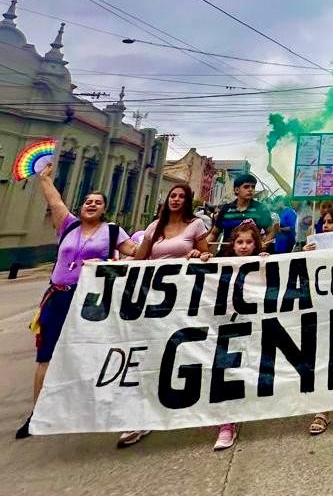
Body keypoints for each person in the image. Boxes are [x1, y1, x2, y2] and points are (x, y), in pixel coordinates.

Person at [16, 164, 138, 439]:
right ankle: (39, 414)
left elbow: (136, 254)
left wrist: (109, 260)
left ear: (104, 209)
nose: (91, 205)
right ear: (81, 206)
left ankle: (106, 408)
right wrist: (45, 178)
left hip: (91, 302)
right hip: (58, 296)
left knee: (96, 353)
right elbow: (54, 200)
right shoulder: (68, 225)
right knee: (46, 355)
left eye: (98, 203)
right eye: (88, 201)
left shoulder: (112, 232)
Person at [115, 184, 211, 449]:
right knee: (149, 354)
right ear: (167, 199)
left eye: (182, 196)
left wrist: (199, 254)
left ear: (188, 201)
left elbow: (207, 256)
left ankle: (189, 404)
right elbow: (139, 260)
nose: (176, 200)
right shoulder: (153, 227)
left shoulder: (196, 226)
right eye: (173, 195)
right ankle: (140, 416)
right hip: (153, 302)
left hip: (184, 300)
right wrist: (110, 272)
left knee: (183, 352)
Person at [209, 221, 271, 451]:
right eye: (239, 242)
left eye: (248, 242)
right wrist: (200, 257)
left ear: (256, 244)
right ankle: (227, 424)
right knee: (227, 372)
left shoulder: (263, 263)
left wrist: (267, 264)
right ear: (232, 244)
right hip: (225, 326)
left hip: (254, 326)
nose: (244, 246)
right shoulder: (220, 265)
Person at [306, 206, 333, 435]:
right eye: (324, 222)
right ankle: (322, 408)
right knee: (319, 359)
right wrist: (304, 255)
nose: (325, 226)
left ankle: (325, 408)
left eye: (331, 222)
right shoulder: (310, 247)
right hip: (317, 313)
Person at [208, 172, 275, 253]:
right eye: (246, 187)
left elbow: (270, 231)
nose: (250, 189)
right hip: (227, 256)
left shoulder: (260, 209)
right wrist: (200, 248)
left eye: (253, 187)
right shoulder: (226, 209)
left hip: (252, 256)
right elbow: (214, 234)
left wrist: (264, 244)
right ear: (237, 190)